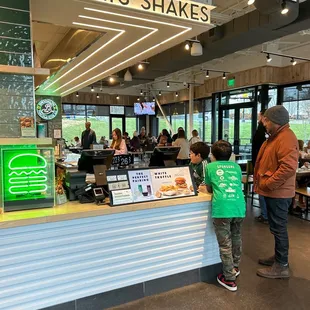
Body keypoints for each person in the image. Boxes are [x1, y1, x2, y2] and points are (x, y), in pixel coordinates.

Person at [254, 106, 298, 279]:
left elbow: (288, 167)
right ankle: (279, 258)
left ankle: (282, 265)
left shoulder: (285, 138)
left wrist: (269, 184)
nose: (264, 124)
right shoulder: (277, 136)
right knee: (276, 227)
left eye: (266, 121)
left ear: (275, 121)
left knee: (279, 228)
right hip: (275, 191)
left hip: (279, 193)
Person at [204, 140, 246, 292]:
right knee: (236, 237)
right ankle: (235, 267)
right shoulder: (236, 166)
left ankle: (229, 278)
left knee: (225, 244)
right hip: (239, 205)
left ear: (212, 155)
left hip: (222, 208)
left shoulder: (210, 166)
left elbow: (209, 188)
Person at [252, 110, 268, 224]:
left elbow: (257, 148)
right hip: (261, 164)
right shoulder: (265, 132)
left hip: (262, 165)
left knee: (262, 190)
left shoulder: (262, 131)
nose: (259, 118)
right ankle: (267, 214)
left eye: (260, 116)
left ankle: (265, 215)